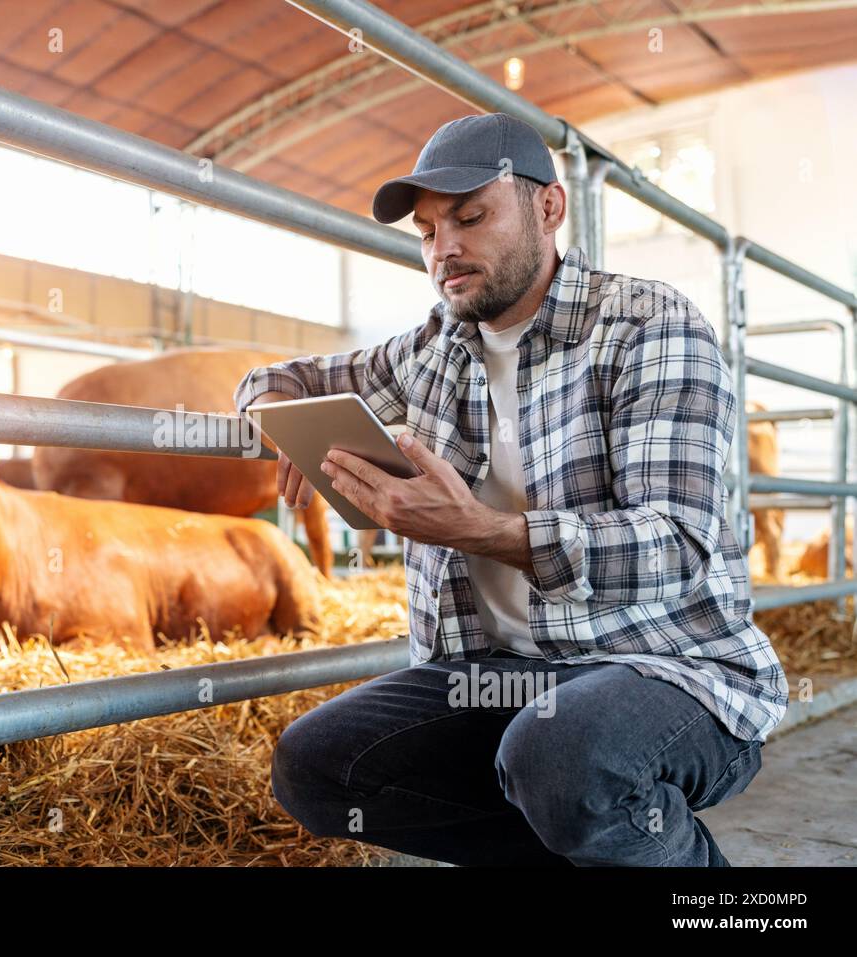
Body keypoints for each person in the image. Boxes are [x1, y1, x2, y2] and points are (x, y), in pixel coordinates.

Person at [235, 112, 788, 867]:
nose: (444, 249)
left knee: (561, 758)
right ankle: (585, 839)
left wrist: (478, 528)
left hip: (664, 668)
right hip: (492, 676)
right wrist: (279, 415)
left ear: (549, 208)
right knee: (317, 765)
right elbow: (278, 378)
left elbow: (676, 545)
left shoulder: (647, 324)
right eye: (427, 231)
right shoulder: (434, 347)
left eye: (471, 216)